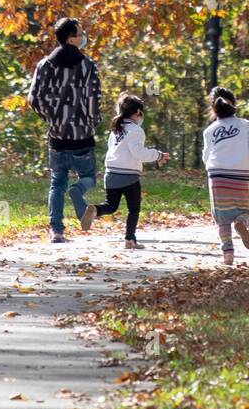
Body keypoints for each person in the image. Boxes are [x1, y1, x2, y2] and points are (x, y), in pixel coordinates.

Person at [28, 16, 102, 243]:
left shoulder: (44, 65)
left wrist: (51, 118)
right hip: (82, 137)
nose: (83, 37)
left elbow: (34, 98)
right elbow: (93, 99)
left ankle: (56, 230)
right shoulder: (87, 66)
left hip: (57, 137)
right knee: (88, 176)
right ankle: (78, 190)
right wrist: (91, 122)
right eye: (80, 34)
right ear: (71, 39)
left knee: (56, 183)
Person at [80, 92, 168, 250]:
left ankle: (95, 210)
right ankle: (129, 240)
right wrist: (158, 154)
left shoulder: (116, 129)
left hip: (111, 174)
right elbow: (139, 153)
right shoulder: (136, 130)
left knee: (111, 205)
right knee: (133, 209)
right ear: (138, 113)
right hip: (129, 176)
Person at [201, 85, 249, 266]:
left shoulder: (209, 131)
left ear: (214, 108)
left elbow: (206, 156)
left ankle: (227, 255)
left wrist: (212, 172)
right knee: (244, 211)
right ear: (233, 105)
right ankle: (241, 223)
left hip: (216, 175)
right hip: (239, 174)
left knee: (221, 218)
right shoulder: (246, 125)